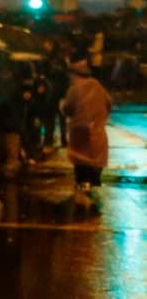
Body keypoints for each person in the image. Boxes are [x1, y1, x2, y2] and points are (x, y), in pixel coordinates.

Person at [62, 55, 111, 209]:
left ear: (74, 74)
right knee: (95, 165)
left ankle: (82, 201)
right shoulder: (99, 86)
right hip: (97, 132)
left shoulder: (74, 89)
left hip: (80, 132)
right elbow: (109, 104)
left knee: (81, 165)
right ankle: (94, 198)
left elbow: (68, 109)